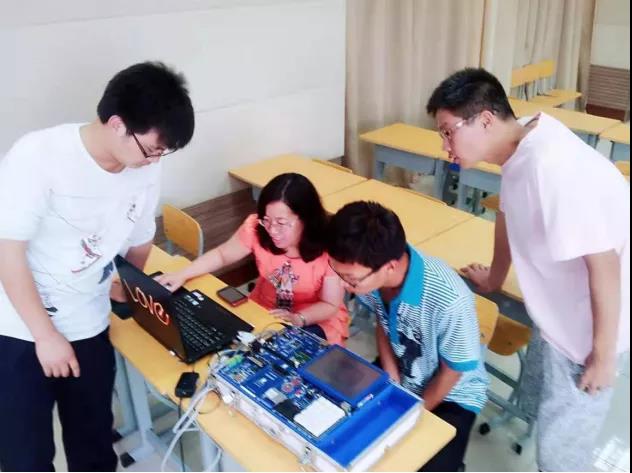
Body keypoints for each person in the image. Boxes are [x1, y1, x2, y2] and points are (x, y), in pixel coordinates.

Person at [426, 67, 630, 471]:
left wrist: (603, 356)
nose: (445, 146)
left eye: (448, 132)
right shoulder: (521, 137)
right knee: (544, 401)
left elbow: (604, 264)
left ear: (486, 119)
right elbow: (507, 211)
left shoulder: (552, 167)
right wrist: (495, 277)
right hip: (558, 309)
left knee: (560, 455)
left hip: (589, 328)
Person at [0, 61, 195, 471]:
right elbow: (8, 252)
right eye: (151, 149)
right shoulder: (38, 156)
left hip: (88, 320)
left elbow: (141, 235)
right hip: (20, 327)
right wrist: (45, 336)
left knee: (93, 446)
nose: (154, 160)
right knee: (25, 456)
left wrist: (125, 285)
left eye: (163, 152)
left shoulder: (145, 166)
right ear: (118, 124)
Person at [326, 201, 488, 471]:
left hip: (452, 393)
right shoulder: (374, 276)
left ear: (389, 266)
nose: (344, 285)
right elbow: (384, 320)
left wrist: (411, 414)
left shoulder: (449, 300)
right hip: (403, 369)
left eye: (351, 279)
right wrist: (391, 376)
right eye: (338, 274)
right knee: (341, 432)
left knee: (419, 462)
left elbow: (453, 372)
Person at [157, 172, 349, 345]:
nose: (272, 230)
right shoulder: (257, 228)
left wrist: (298, 318)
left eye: (281, 223)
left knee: (287, 358)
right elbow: (222, 255)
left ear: (306, 219)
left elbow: (330, 304)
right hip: (265, 308)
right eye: (267, 220)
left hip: (313, 318)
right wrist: (182, 274)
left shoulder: (330, 248)